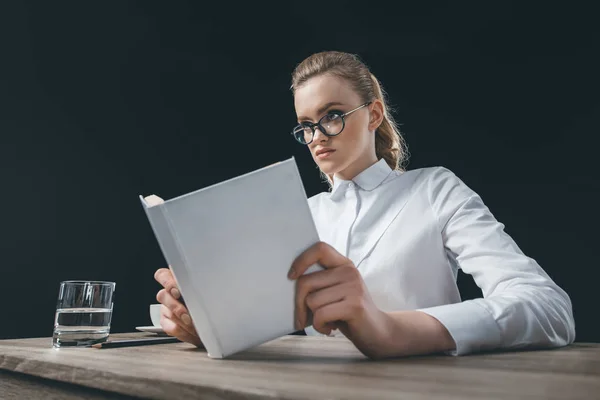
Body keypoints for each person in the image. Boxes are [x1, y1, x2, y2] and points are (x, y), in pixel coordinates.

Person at [153, 51, 575, 359]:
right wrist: (215, 327)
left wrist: (390, 329)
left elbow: (548, 307)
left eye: (332, 115)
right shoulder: (302, 214)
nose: (317, 135)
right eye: (305, 126)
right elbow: (274, 328)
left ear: (373, 115)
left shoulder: (434, 190)